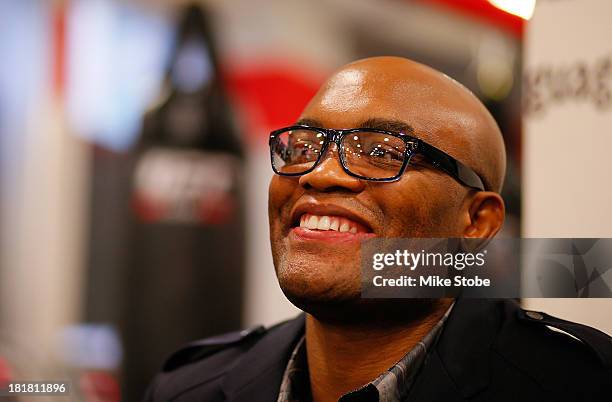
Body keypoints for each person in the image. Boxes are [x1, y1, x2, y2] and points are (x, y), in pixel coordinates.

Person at [143, 57, 612, 402]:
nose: (320, 174)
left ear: (477, 222)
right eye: (304, 146)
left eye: (384, 152)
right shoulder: (186, 388)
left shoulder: (576, 385)